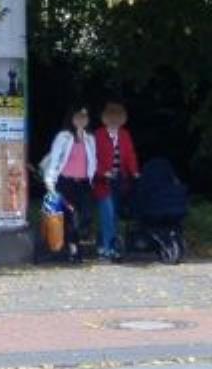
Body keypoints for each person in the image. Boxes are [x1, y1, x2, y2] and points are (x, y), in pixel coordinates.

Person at [41, 104, 97, 263]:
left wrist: (92, 178)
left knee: (86, 216)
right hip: (66, 183)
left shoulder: (90, 139)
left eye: (84, 117)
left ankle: (74, 244)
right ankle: (73, 250)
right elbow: (55, 160)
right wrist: (50, 181)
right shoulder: (63, 137)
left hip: (84, 184)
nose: (81, 120)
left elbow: (93, 161)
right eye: (78, 117)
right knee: (72, 218)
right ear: (71, 119)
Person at [94, 101, 140, 261]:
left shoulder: (124, 134)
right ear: (105, 118)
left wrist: (134, 172)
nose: (114, 119)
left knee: (114, 215)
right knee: (108, 213)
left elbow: (130, 155)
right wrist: (102, 173)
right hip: (103, 181)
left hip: (120, 180)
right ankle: (109, 249)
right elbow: (93, 158)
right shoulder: (98, 135)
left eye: (118, 116)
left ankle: (104, 245)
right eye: (111, 116)